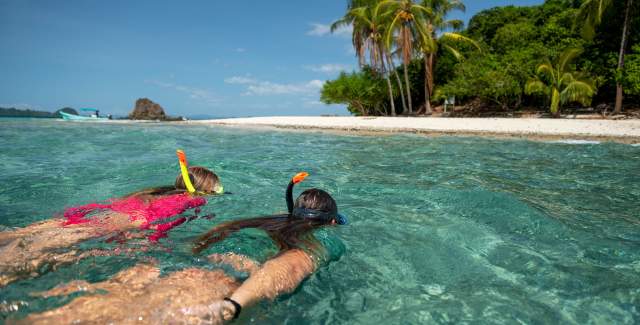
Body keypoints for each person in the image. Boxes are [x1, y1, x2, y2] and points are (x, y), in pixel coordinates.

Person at [0, 150, 222, 287]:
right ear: (204, 190)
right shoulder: (194, 201)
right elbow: (154, 223)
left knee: (25, 234)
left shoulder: (158, 191)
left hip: (104, 212)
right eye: (216, 189)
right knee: (36, 254)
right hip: (125, 221)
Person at [190, 172, 347, 322]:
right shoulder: (316, 243)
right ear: (333, 222)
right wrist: (233, 305)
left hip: (197, 272)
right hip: (227, 296)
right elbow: (288, 266)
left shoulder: (264, 223)